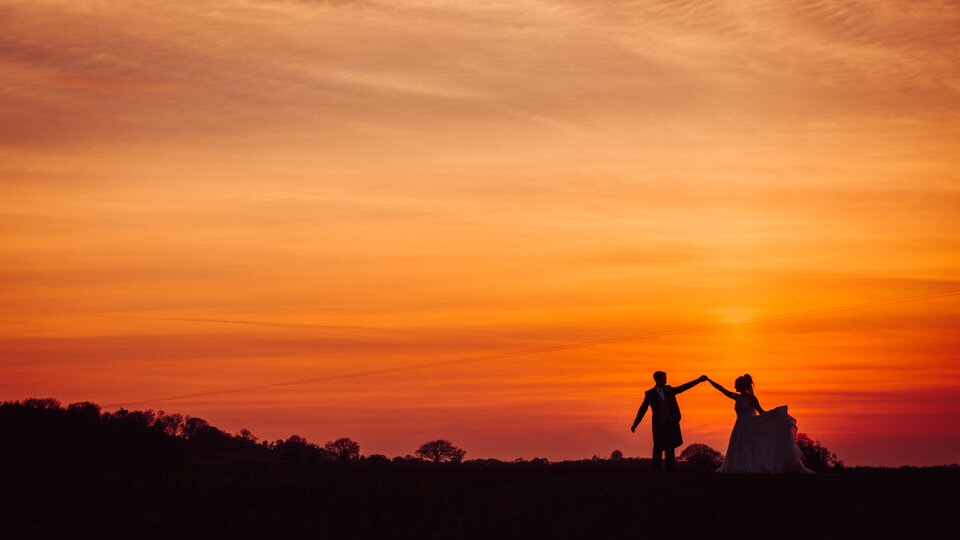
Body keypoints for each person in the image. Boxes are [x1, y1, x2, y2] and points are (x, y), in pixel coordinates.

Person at [706, 374, 813, 474]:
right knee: (737, 448)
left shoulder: (751, 399)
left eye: (736, 384)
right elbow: (721, 389)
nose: (734, 387)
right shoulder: (737, 397)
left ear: (742, 385)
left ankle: (747, 468)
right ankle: (738, 467)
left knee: (747, 448)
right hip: (738, 427)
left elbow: (761, 412)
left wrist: (775, 414)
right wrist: (709, 380)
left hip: (748, 427)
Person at [631, 371, 708, 470]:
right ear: (658, 380)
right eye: (664, 379)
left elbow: (683, 388)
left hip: (671, 424)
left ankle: (670, 471)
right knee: (658, 448)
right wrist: (635, 423)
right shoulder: (650, 394)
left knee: (670, 449)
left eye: (665, 379)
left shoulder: (669, 390)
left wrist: (697, 381)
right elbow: (643, 409)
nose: (666, 381)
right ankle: (656, 471)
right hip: (659, 425)